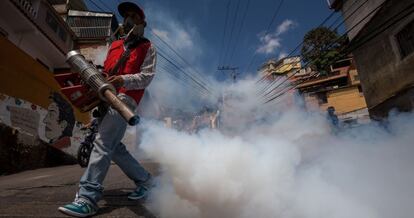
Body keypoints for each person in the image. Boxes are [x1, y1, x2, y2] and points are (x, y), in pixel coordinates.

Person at [58, 2, 157, 217]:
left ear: (142, 22)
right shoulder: (114, 45)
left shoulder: (147, 46)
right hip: (104, 99)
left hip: (125, 100)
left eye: (134, 16)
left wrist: (123, 79)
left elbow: (147, 77)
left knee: (103, 143)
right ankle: (147, 182)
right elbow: (107, 70)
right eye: (126, 16)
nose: (129, 19)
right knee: (114, 147)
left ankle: (88, 198)